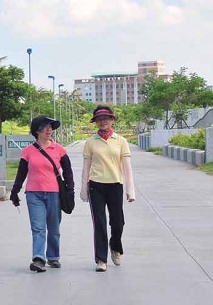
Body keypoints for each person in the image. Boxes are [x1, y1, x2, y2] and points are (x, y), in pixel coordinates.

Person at [10, 116, 75, 272]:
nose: (48, 130)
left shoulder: (59, 149)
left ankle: (53, 256)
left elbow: (68, 171)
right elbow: (21, 173)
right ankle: (38, 259)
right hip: (34, 194)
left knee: (54, 228)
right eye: (45, 127)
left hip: (54, 193)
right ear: (37, 131)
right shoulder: (28, 151)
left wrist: (70, 190)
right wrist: (15, 191)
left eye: (50, 127)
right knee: (38, 227)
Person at [80, 105, 136, 272]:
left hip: (115, 185)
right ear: (95, 122)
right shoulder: (90, 142)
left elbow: (127, 168)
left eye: (106, 118)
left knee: (117, 222)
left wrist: (130, 190)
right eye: (99, 119)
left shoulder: (121, 141)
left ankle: (115, 246)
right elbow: (86, 167)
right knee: (99, 223)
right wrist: (84, 189)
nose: (103, 122)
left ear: (112, 120)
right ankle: (101, 259)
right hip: (96, 185)